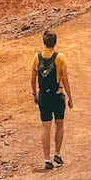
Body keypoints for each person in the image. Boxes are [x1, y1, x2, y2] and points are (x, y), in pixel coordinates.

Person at [31, 28, 73, 170]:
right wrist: (70, 98)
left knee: (45, 127)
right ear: (55, 42)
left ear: (44, 42)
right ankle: (57, 154)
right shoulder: (61, 57)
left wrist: (34, 94)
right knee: (59, 124)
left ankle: (46, 159)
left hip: (43, 96)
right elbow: (65, 79)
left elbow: (33, 78)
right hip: (57, 95)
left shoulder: (37, 57)